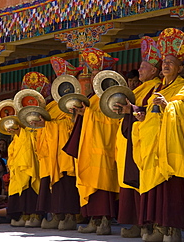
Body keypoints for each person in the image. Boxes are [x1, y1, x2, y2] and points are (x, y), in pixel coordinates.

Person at [131, 28, 184, 241]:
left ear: (180, 67)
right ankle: (159, 228)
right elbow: (153, 117)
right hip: (154, 148)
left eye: (171, 62)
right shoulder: (156, 90)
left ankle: (173, 229)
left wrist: (169, 105)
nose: (166, 65)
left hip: (174, 149)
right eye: (164, 62)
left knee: (172, 190)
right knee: (157, 190)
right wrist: (143, 120)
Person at [63, 47, 120, 235]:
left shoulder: (113, 97)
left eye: (98, 73)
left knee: (104, 186)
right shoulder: (91, 98)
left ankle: (105, 221)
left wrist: (87, 114)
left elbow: (112, 121)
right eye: (93, 73)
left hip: (105, 149)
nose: (95, 77)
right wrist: (80, 114)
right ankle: (94, 221)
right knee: (90, 184)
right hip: (88, 149)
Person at [113, 36, 162, 238]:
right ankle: (133, 222)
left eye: (143, 68)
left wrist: (131, 109)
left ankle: (145, 225)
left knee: (141, 182)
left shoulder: (155, 87)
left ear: (153, 71)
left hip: (144, 141)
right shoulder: (140, 88)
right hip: (130, 139)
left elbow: (149, 110)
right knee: (129, 183)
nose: (139, 71)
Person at [35, 57, 81, 231]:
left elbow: (71, 126)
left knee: (66, 186)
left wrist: (48, 125)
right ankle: (56, 215)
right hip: (49, 153)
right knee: (51, 187)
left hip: (65, 153)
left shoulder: (74, 103)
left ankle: (69, 216)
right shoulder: (52, 105)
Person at [6, 72, 50, 228]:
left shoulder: (44, 111)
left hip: (37, 153)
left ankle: (35, 215)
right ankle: (23, 215)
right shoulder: (20, 113)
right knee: (21, 183)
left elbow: (45, 130)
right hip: (22, 153)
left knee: (34, 183)